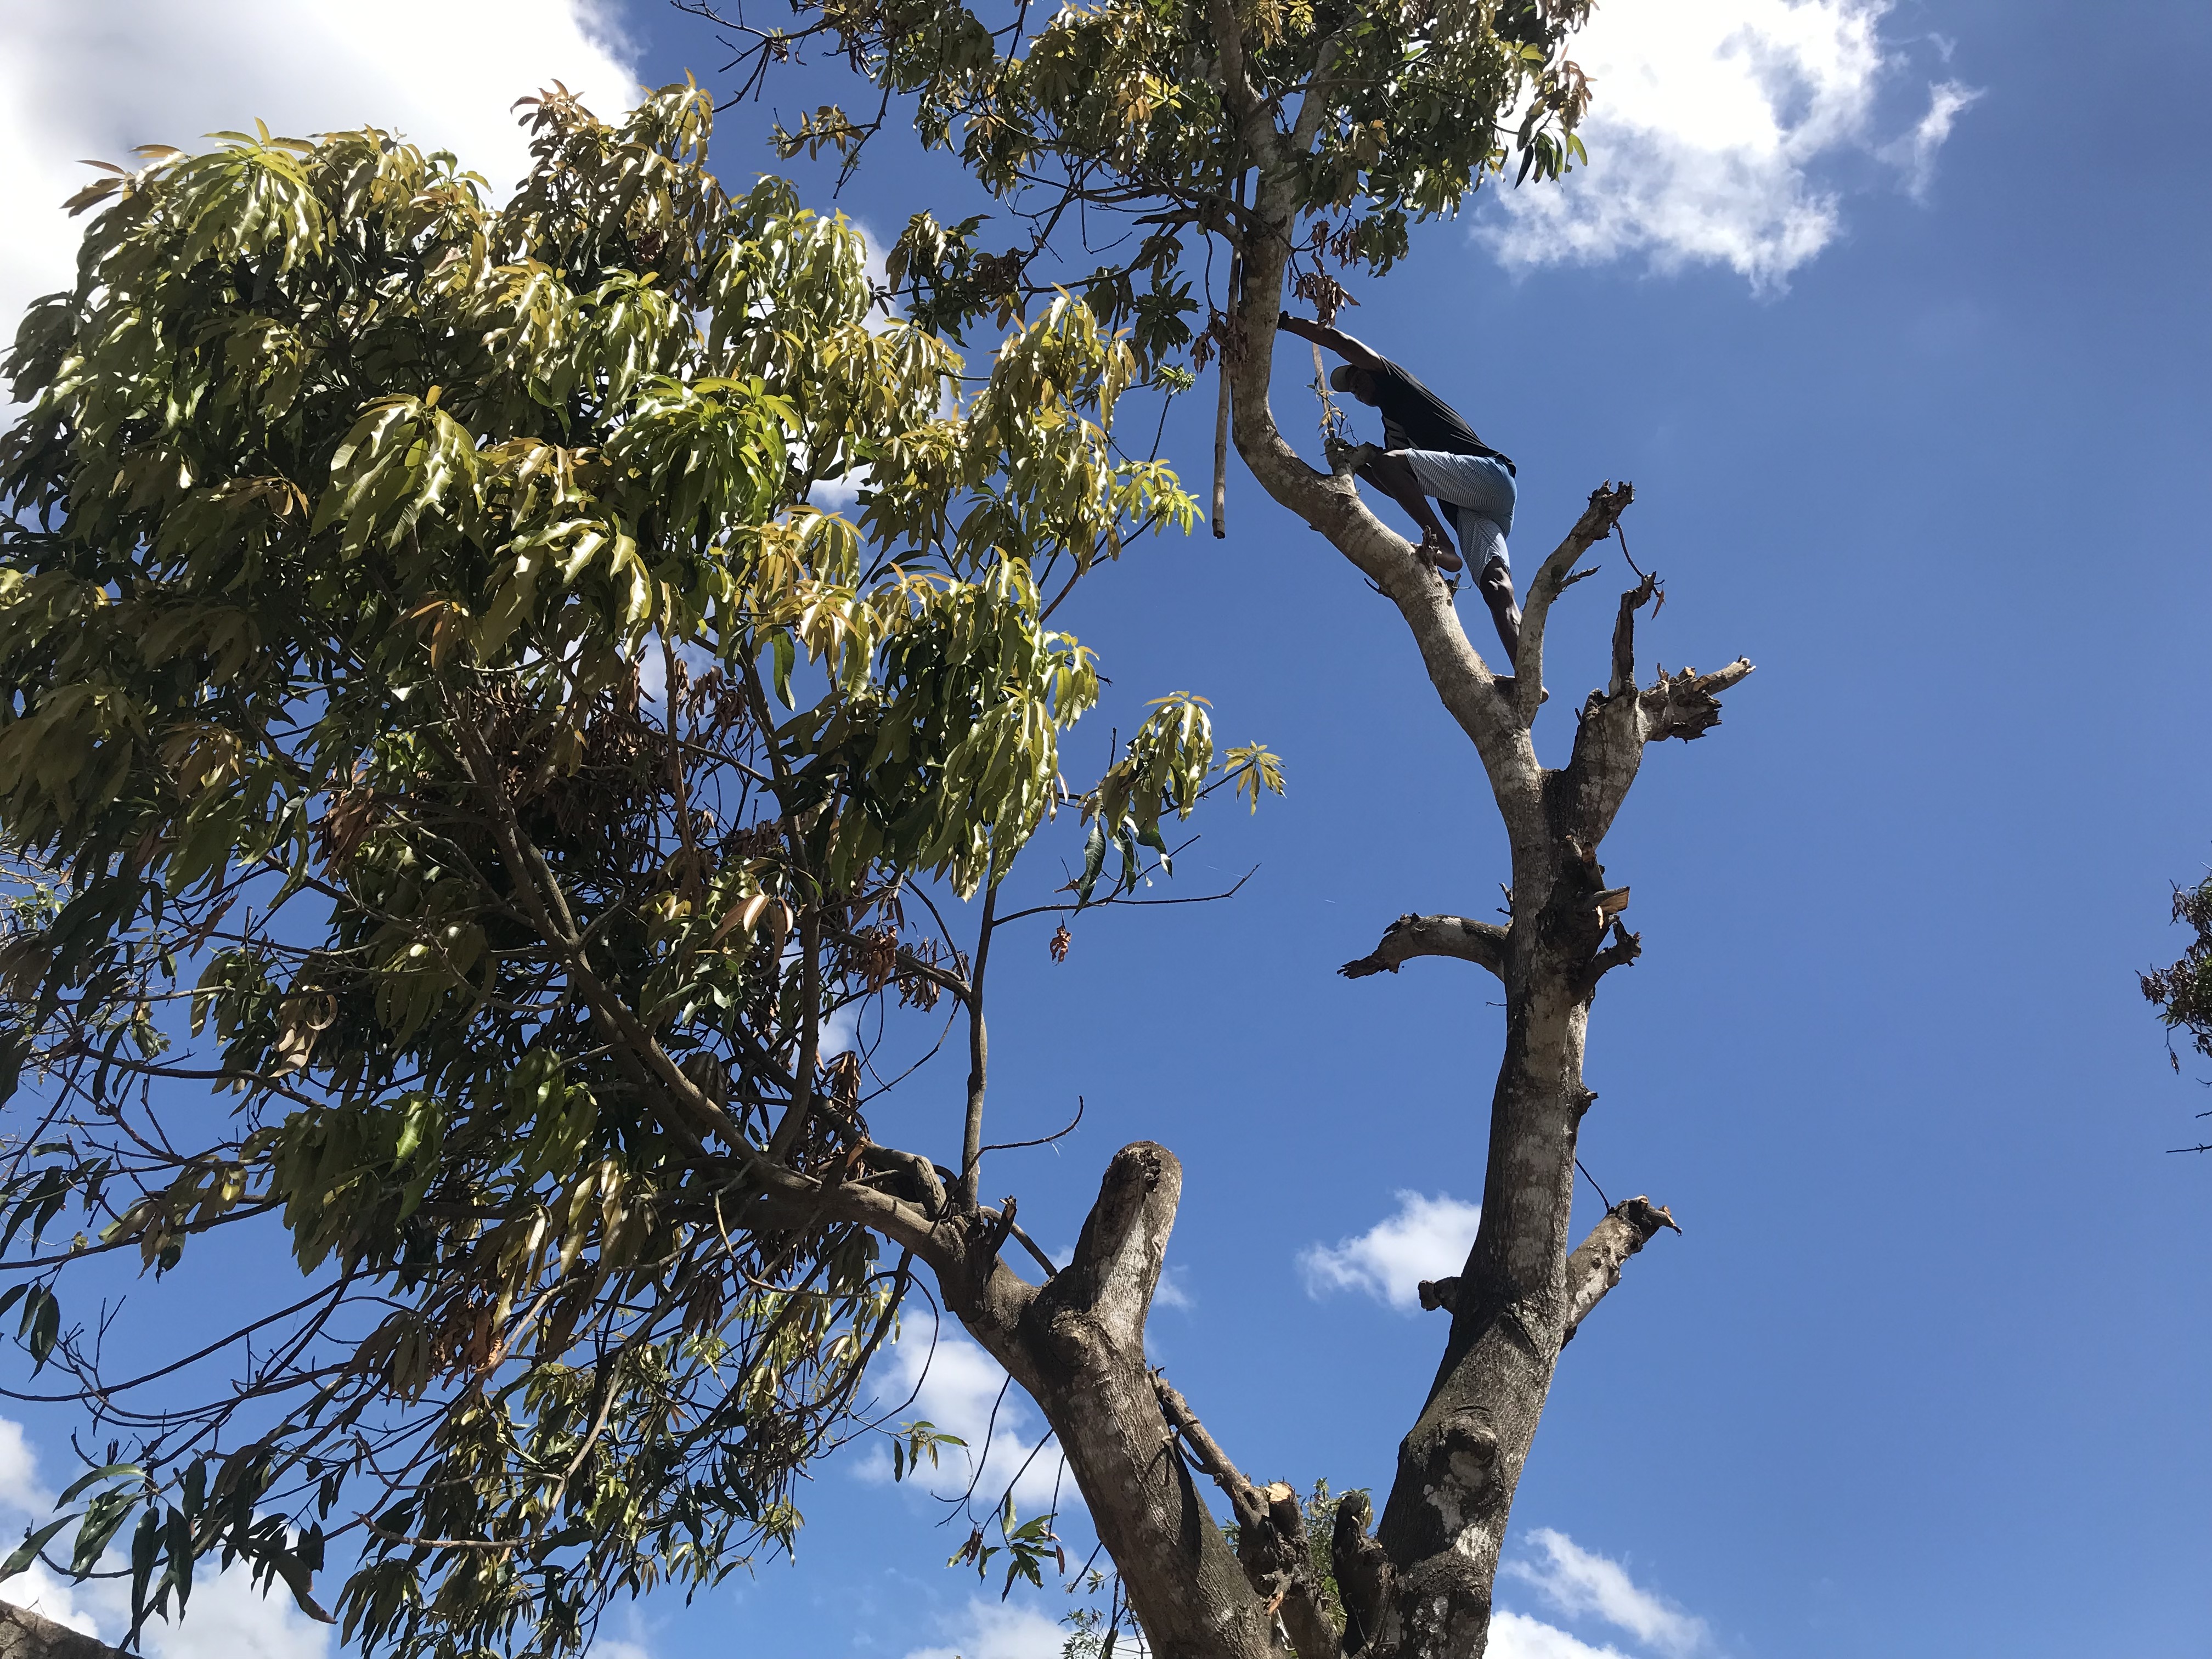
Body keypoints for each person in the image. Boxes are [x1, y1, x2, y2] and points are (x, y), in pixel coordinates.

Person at [1277, 312, 1523, 659]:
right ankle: (1528, 674)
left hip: (1491, 478)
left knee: (1389, 461)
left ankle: (1443, 547)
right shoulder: (1395, 431)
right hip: (1469, 510)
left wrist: (1288, 324)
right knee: (1496, 587)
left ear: (1370, 370)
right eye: (1352, 390)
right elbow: (1395, 484)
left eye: (1358, 378)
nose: (1357, 390)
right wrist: (1354, 463)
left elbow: (1338, 342)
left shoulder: (1397, 383)